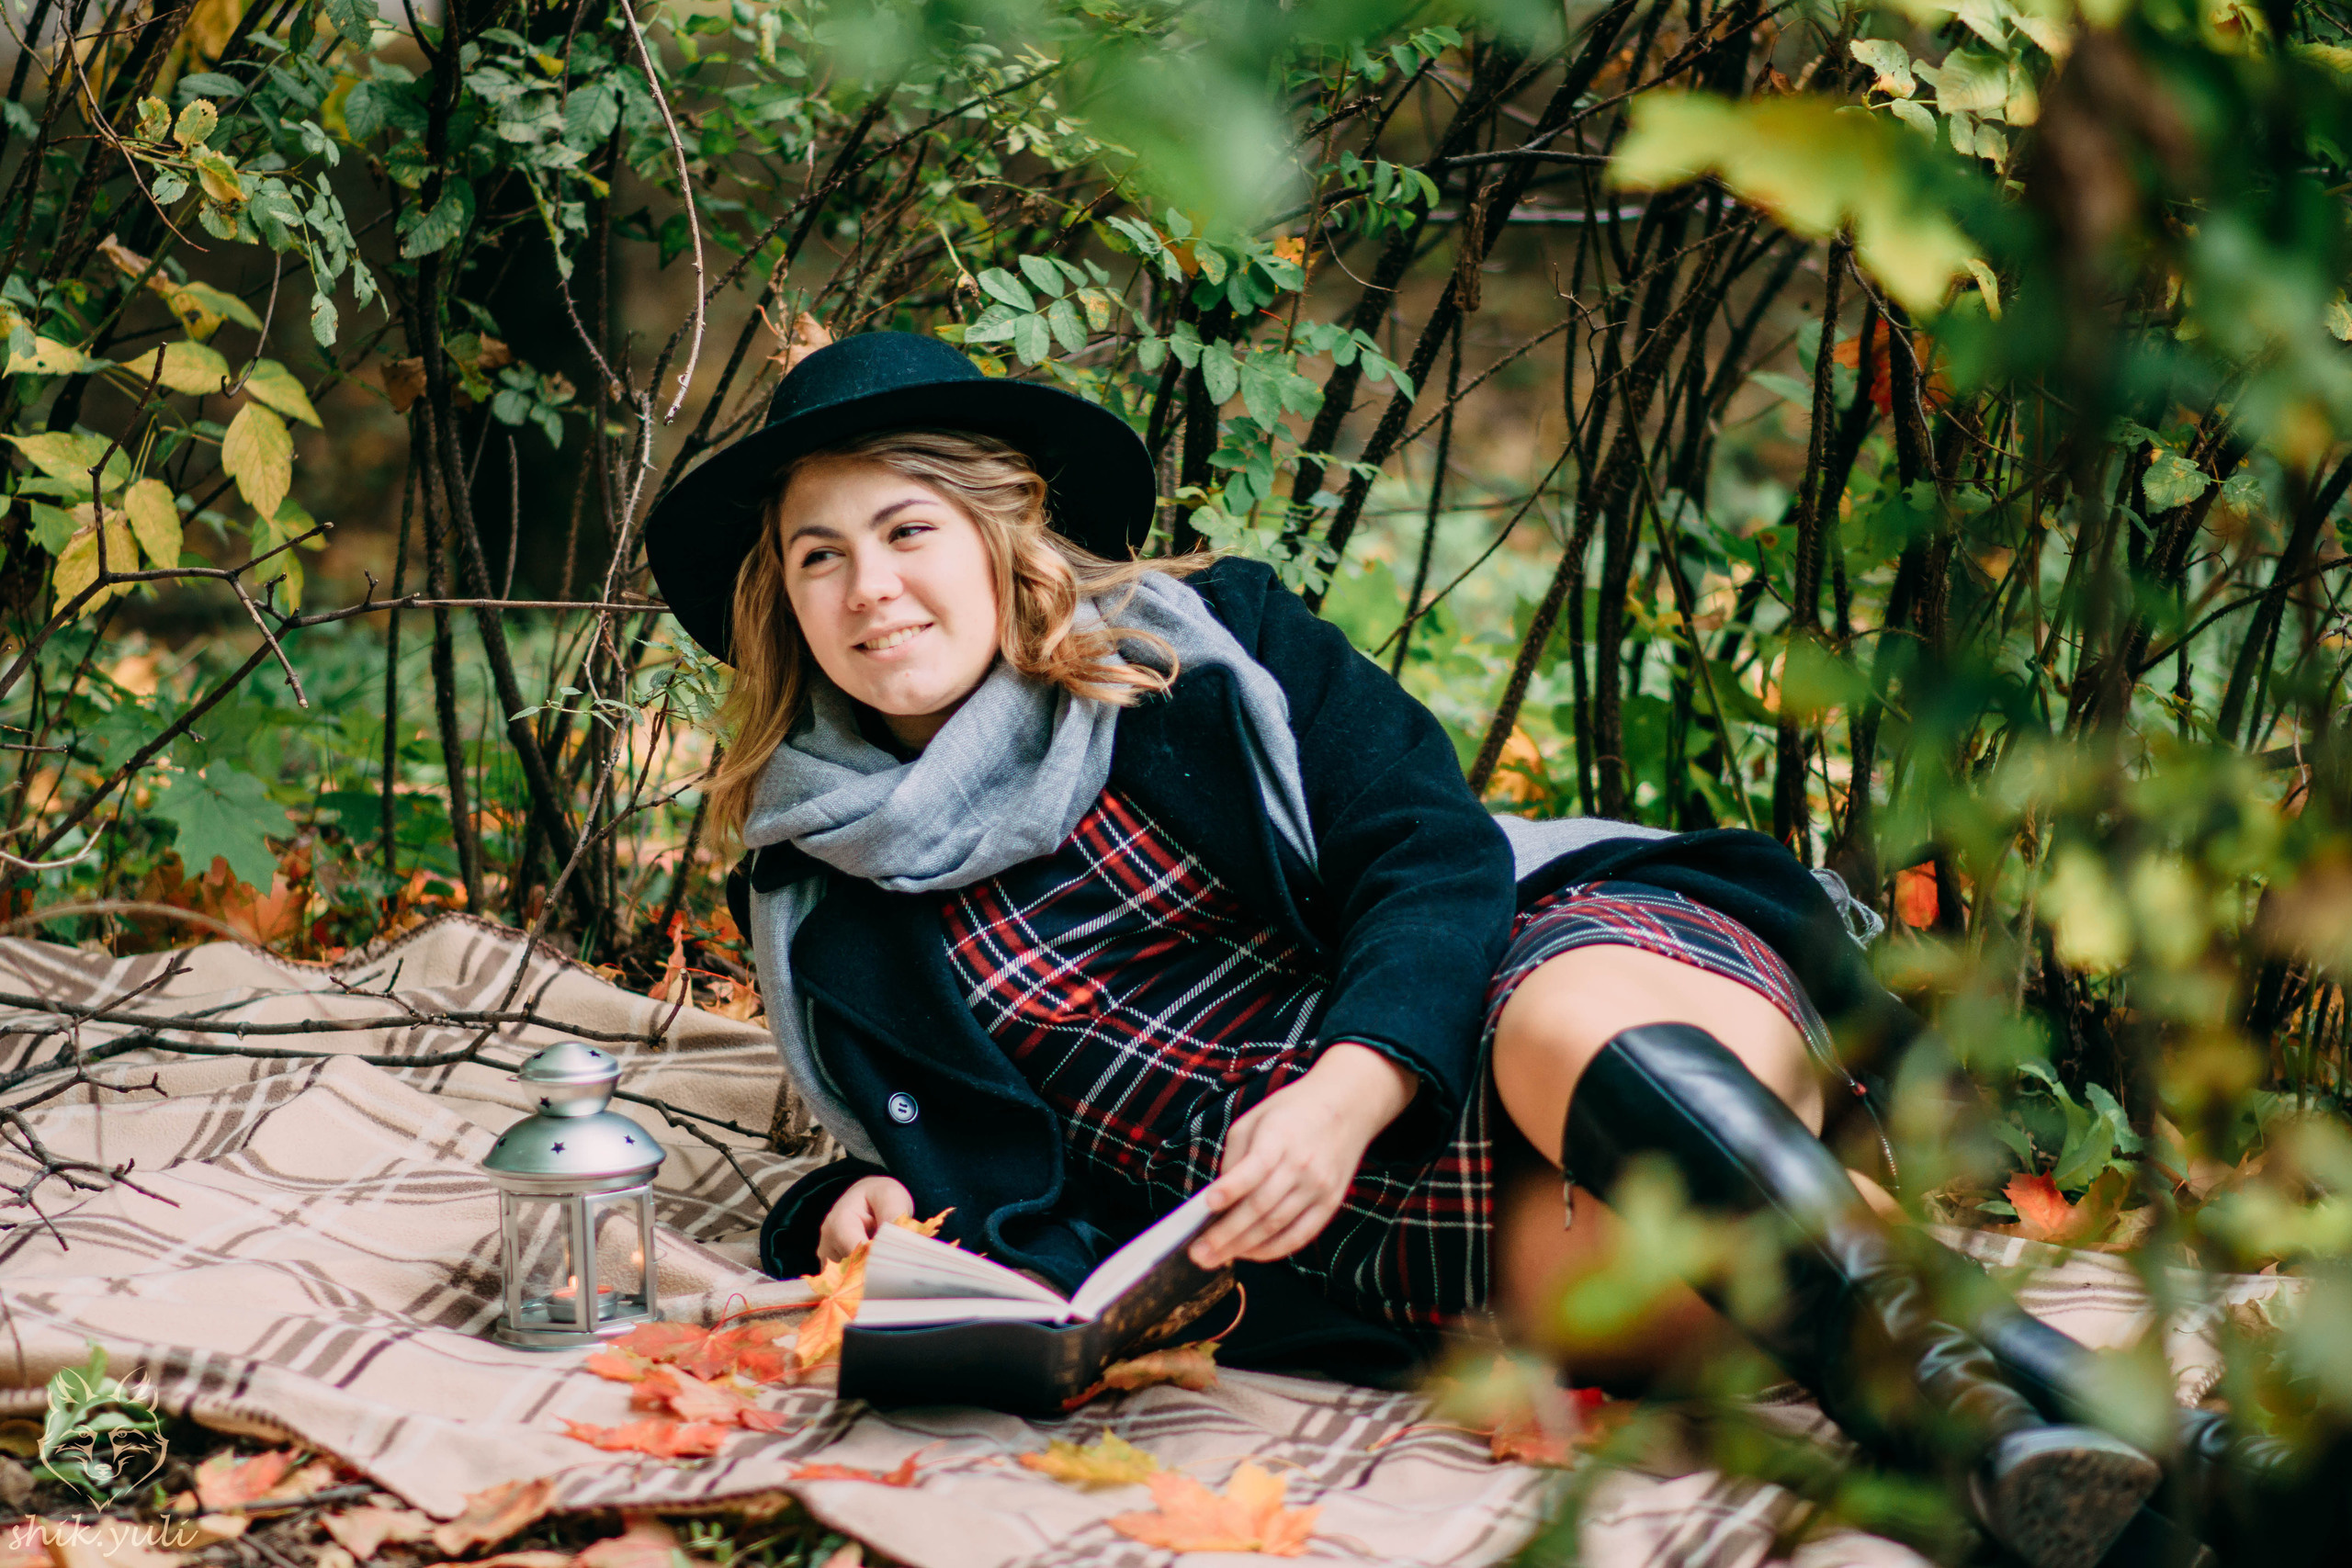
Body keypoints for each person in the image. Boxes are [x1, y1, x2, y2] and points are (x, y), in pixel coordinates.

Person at [645, 332, 2167, 1568]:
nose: (870, 590)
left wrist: (1349, 1082)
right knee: (1694, 1275)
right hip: (1384, 1228)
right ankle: (2098, 1446)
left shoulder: (1198, 652)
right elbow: (953, 1173)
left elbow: (1430, 849)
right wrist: (841, 1211)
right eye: (819, 556)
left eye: (908, 530)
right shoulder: (825, 891)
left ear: (1001, 534)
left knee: (1558, 1029)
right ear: (783, 596)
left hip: (1515, 981)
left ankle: (1995, 1431)